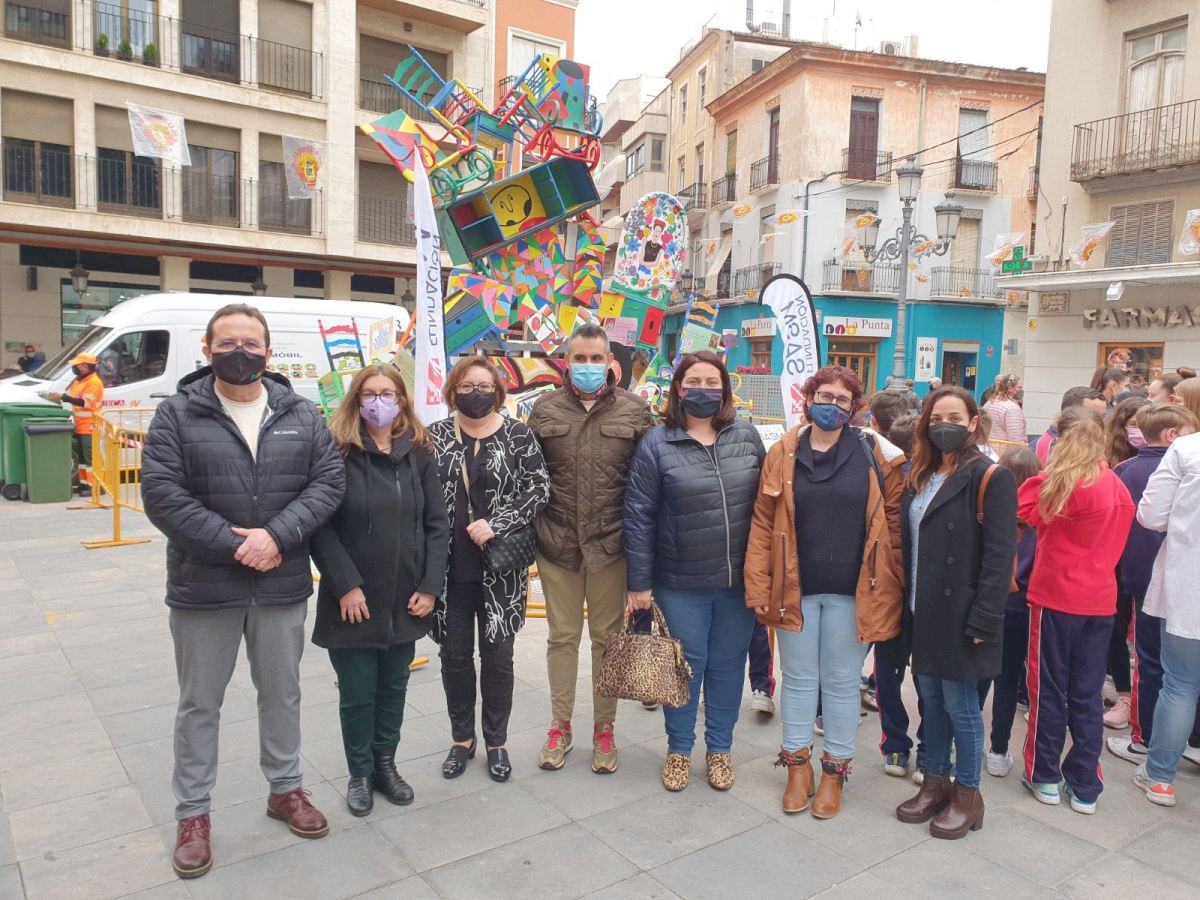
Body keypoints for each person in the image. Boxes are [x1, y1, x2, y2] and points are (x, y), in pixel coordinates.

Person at [141, 304, 345, 879]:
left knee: (282, 693)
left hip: (280, 584)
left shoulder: (300, 413)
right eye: (228, 343)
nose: (240, 352)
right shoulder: (177, 414)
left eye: (251, 343)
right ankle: (193, 815)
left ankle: (286, 789)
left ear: (268, 352)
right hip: (205, 586)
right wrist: (239, 547)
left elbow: (328, 483)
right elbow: (162, 495)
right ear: (207, 351)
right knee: (199, 703)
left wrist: (276, 536)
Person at [744, 365, 905, 819]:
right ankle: (797, 767)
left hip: (855, 592)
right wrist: (758, 583)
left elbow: (894, 525)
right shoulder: (783, 452)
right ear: (808, 398)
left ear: (854, 407)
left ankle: (834, 771)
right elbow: (762, 522)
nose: (832, 405)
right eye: (824, 396)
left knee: (840, 684)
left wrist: (894, 583)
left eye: (842, 399)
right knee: (797, 680)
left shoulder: (875, 453)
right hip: (794, 589)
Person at [310, 366, 449, 816]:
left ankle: (385, 766)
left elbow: (437, 524)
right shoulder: (336, 451)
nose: (378, 402)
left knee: (393, 687)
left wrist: (429, 587)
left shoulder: (419, 452)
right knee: (357, 693)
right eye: (369, 394)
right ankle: (360, 773)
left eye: (387, 393)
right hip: (352, 601)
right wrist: (345, 584)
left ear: (402, 400)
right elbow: (321, 526)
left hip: (406, 599)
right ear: (355, 399)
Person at [624, 351, 765, 791]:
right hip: (680, 582)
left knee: (728, 667)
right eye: (694, 382)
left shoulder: (746, 436)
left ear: (724, 389)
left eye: (712, 382)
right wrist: (638, 583)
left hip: (738, 583)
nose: (703, 389)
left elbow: (767, 507)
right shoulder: (657, 443)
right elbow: (639, 516)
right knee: (685, 668)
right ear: (679, 389)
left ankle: (720, 750)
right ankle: (679, 750)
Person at [527, 323, 652, 773]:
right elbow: (529, 476)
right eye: (579, 358)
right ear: (567, 361)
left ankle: (604, 728)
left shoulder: (635, 412)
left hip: (611, 545)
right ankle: (560, 725)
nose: (587, 366)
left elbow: (647, 484)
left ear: (609, 362)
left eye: (595, 358)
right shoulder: (544, 409)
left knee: (606, 639)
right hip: (557, 543)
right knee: (561, 638)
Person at [893, 387, 1017, 839]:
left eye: (955, 417)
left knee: (962, 707)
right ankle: (935, 782)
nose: (944, 425)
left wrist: (985, 618)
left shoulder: (990, 476)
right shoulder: (921, 474)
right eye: (936, 418)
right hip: (922, 609)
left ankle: (968, 794)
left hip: (962, 614)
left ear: (972, 422)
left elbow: (999, 557)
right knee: (931, 702)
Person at [430, 357, 549, 783]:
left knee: (498, 658)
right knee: (454, 657)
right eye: (466, 386)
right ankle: (462, 739)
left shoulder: (518, 435)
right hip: (448, 568)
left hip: (501, 568)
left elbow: (539, 488)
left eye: (483, 386)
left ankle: (497, 741)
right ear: (453, 391)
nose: (475, 393)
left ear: (498, 392)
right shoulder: (435, 436)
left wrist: (498, 522)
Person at [1017, 406, 1134, 814]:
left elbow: (1024, 506)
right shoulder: (1116, 486)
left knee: (1047, 689)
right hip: (1099, 600)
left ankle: (1044, 773)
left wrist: (1053, 469)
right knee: (1086, 694)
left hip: (1055, 598)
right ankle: (1085, 783)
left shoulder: (1065, 483)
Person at [1106, 404, 1199, 767]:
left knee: (1171, 677)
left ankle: (1152, 755)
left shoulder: (1172, 456)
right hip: (1168, 577)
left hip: (1170, 579)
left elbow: (1149, 516)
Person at [1132, 414, 1200, 806]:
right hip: (1187, 584)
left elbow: (1151, 515)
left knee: (1180, 684)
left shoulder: (1186, 450)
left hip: (1189, 585)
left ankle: (1159, 777)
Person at [980, 446, 1041, 779]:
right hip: (1020, 609)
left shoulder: (989, 510)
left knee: (976, 677)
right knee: (1006, 682)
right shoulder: (1039, 520)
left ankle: (964, 739)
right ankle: (998, 750)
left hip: (987, 602)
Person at [1101, 396, 1152, 729]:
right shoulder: (1114, 463)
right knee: (1115, 629)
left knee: (1146, 635)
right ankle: (1123, 695)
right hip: (1115, 558)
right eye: (1134, 425)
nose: (1139, 432)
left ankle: (1138, 700)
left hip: (1147, 557)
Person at [47, 352, 104, 492]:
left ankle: (95, 487)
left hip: (90, 425)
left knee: (90, 458)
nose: (74, 368)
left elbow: (85, 403)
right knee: (83, 459)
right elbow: (76, 400)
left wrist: (64, 397)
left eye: (76, 365)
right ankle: (84, 484)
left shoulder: (94, 382)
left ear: (84, 366)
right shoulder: (80, 381)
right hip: (80, 425)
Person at [1034, 386, 1106, 465]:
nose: (1101, 422)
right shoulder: (1048, 447)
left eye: (1103, 416)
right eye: (1094, 415)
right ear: (1071, 414)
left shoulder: (1091, 443)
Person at [981, 374, 1026, 444]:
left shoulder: (989, 403)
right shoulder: (1012, 408)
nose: (1021, 390)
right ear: (1010, 388)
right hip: (1003, 449)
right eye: (1019, 387)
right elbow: (1016, 439)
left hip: (988, 447)